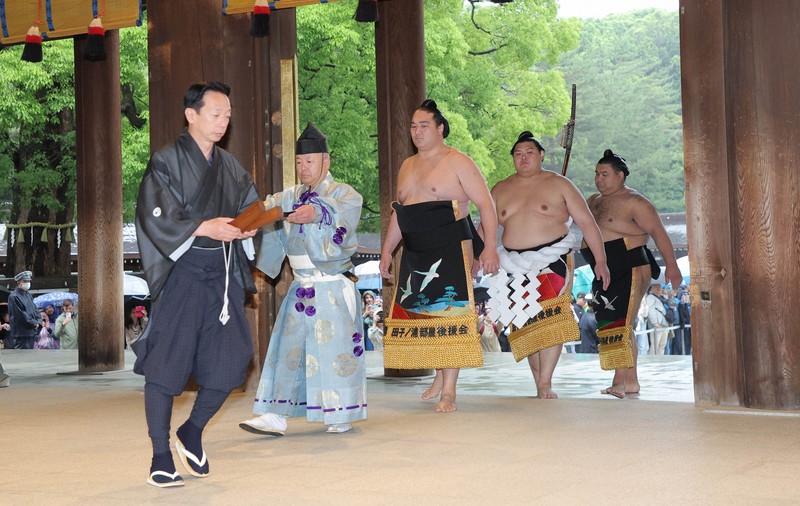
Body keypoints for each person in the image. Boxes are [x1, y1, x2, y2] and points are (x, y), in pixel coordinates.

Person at [133, 82, 260, 488]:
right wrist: (204, 226)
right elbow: (155, 214)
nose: (223, 122)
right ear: (191, 115)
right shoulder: (166, 161)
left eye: (227, 116)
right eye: (215, 114)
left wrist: (246, 229)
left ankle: (193, 430)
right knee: (166, 367)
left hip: (221, 276)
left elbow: (248, 208)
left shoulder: (230, 166)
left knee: (233, 361)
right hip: (184, 273)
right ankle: (159, 455)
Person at [239, 122, 366, 436]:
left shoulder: (343, 194)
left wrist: (318, 211)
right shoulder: (291, 195)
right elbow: (265, 208)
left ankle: (340, 412)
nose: (304, 167)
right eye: (299, 162)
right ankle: (274, 414)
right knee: (288, 348)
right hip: (301, 287)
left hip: (332, 283)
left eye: (310, 161)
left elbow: (341, 213)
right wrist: (244, 221)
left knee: (334, 353)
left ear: (326, 161)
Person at [379, 99, 500, 413]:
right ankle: (438, 375)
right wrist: (386, 251)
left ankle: (449, 390)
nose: (417, 132)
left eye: (424, 126)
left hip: (451, 245)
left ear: (440, 129)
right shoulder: (407, 165)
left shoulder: (458, 161)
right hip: (415, 249)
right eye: (413, 126)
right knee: (424, 315)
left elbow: (486, 205)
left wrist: (490, 247)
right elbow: (399, 213)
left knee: (448, 312)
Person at [487, 131, 610, 399]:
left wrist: (600, 261)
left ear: (541, 155)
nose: (523, 158)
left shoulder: (560, 184)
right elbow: (484, 228)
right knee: (525, 324)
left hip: (552, 260)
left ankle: (545, 382)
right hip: (513, 265)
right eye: (518, 154)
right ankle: (539, 382)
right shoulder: (500, 189)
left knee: (550, 320)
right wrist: (482, 256)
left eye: (529, 152)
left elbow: (587, 223)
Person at [581, 149, 682, 399]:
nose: (599, 179)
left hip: (631, 265)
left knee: (621, 322)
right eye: (596, 174)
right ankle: (631, 381)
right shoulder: (594, 200)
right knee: (612, 322)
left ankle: (619, 380)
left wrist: (672, 266)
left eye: (605, 174)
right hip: (602, 267)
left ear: (621, 175)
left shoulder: (636, 202)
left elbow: (659, 233)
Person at [7, 270, 41, 350]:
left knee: (30, 357)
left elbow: (35, 309)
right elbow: (20, 315)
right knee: (22, 357)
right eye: (25, 281)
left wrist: (39, 321)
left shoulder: (28, 294)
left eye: (28, 281)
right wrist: (34, 323)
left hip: (31, 332)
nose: (27, 283)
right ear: (18, 283)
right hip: (21, 333)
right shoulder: (14, 297)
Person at [644, 284, 670, 355]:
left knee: (662, 345)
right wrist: (654, 322)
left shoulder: (660, 297)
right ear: (652, 288)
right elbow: (650, 310)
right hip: (657, 325)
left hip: (663, 323)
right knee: (655, 345)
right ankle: (652, 362)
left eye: (660, 287)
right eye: (657, 287)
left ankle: (660, 361)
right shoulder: (650, 297)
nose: (659, 289)